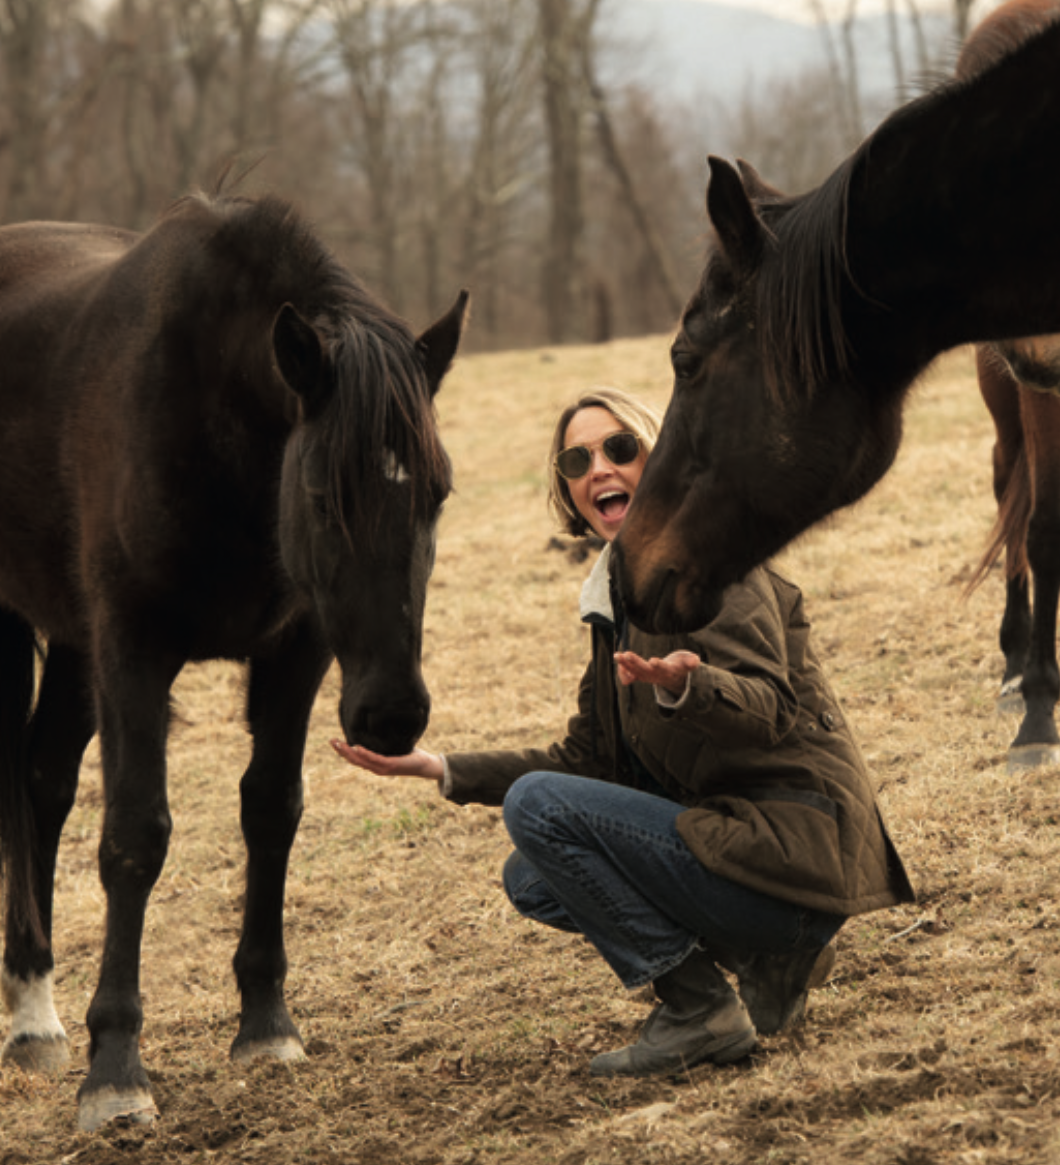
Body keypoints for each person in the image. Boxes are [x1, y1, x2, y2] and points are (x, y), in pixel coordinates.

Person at [331, 386, 915, 1077]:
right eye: (576, 459)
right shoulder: (619, 597)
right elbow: (588, 762)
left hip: (798, 857)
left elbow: (769, 708)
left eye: (619, 448)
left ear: (659, 457)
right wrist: (444, 768)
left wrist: (687, 685)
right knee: (533, 876)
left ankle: (701, 1008)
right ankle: (770, 960)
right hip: (746, 860)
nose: (598, 468)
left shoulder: (714, 563)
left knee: (538, 808)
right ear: (568, 489)